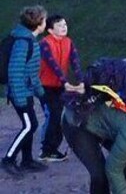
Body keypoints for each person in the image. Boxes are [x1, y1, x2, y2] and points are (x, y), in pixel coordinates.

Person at [2, 6, 48, 177]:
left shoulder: (28, 39)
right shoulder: (23, 42)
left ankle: (27, 160)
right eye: (44, 19)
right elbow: (15, 71)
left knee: (30, 124)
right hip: (20, 93)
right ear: (38, 23)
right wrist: (20, 97)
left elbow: (31, 72)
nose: (46, 22)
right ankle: (8, 159)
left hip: (25, 91)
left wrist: (41, 93)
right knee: (30, 125)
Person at [38, 13, 84, 162]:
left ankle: (51, 149)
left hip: (59, 85)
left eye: (65, 24)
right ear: (50, 30)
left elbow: (75, 62)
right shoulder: (45, 43)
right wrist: (66, 82)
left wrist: (81, 80)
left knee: (59, 115)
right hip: (45, 85)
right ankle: (46, 150)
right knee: (53, 115)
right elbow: (53, 65)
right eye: (60, 25)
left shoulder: (68, 42)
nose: (64, 27)